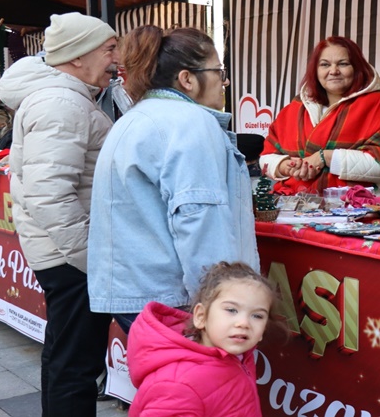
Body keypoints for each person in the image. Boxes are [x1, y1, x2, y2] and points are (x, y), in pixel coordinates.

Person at [87, 25, 260, 333]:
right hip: (172, 300)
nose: (225, 81)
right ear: (187, 79)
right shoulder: (191, 123)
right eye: (218, 71)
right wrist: (221, 305)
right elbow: (199, 220)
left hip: (139, 293)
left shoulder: (135, 118)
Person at [0, 12, 118, 417]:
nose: (116, 59)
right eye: (109, 49)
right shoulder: (61, 102)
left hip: (63, 252)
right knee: (75, 365)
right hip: (70, 257)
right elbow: (49, 193)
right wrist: (88, 257)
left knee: (66, 357)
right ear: (78, 56)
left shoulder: (66, 98)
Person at [259, 36, 380, 196]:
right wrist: (286, 166)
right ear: (315, 71)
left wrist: (326, 158)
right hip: (297, 205)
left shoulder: (378, 104)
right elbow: (266, 157)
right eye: (325, 64)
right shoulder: (296, 108)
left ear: (357, 68)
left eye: (343, 64)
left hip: (361, 206)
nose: (334, 71)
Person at [127, 261, 277, 416]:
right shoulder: (178, 384)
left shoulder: (241, 357)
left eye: (257, 316)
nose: (244, 323)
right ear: (201, 316)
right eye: (231, 310)